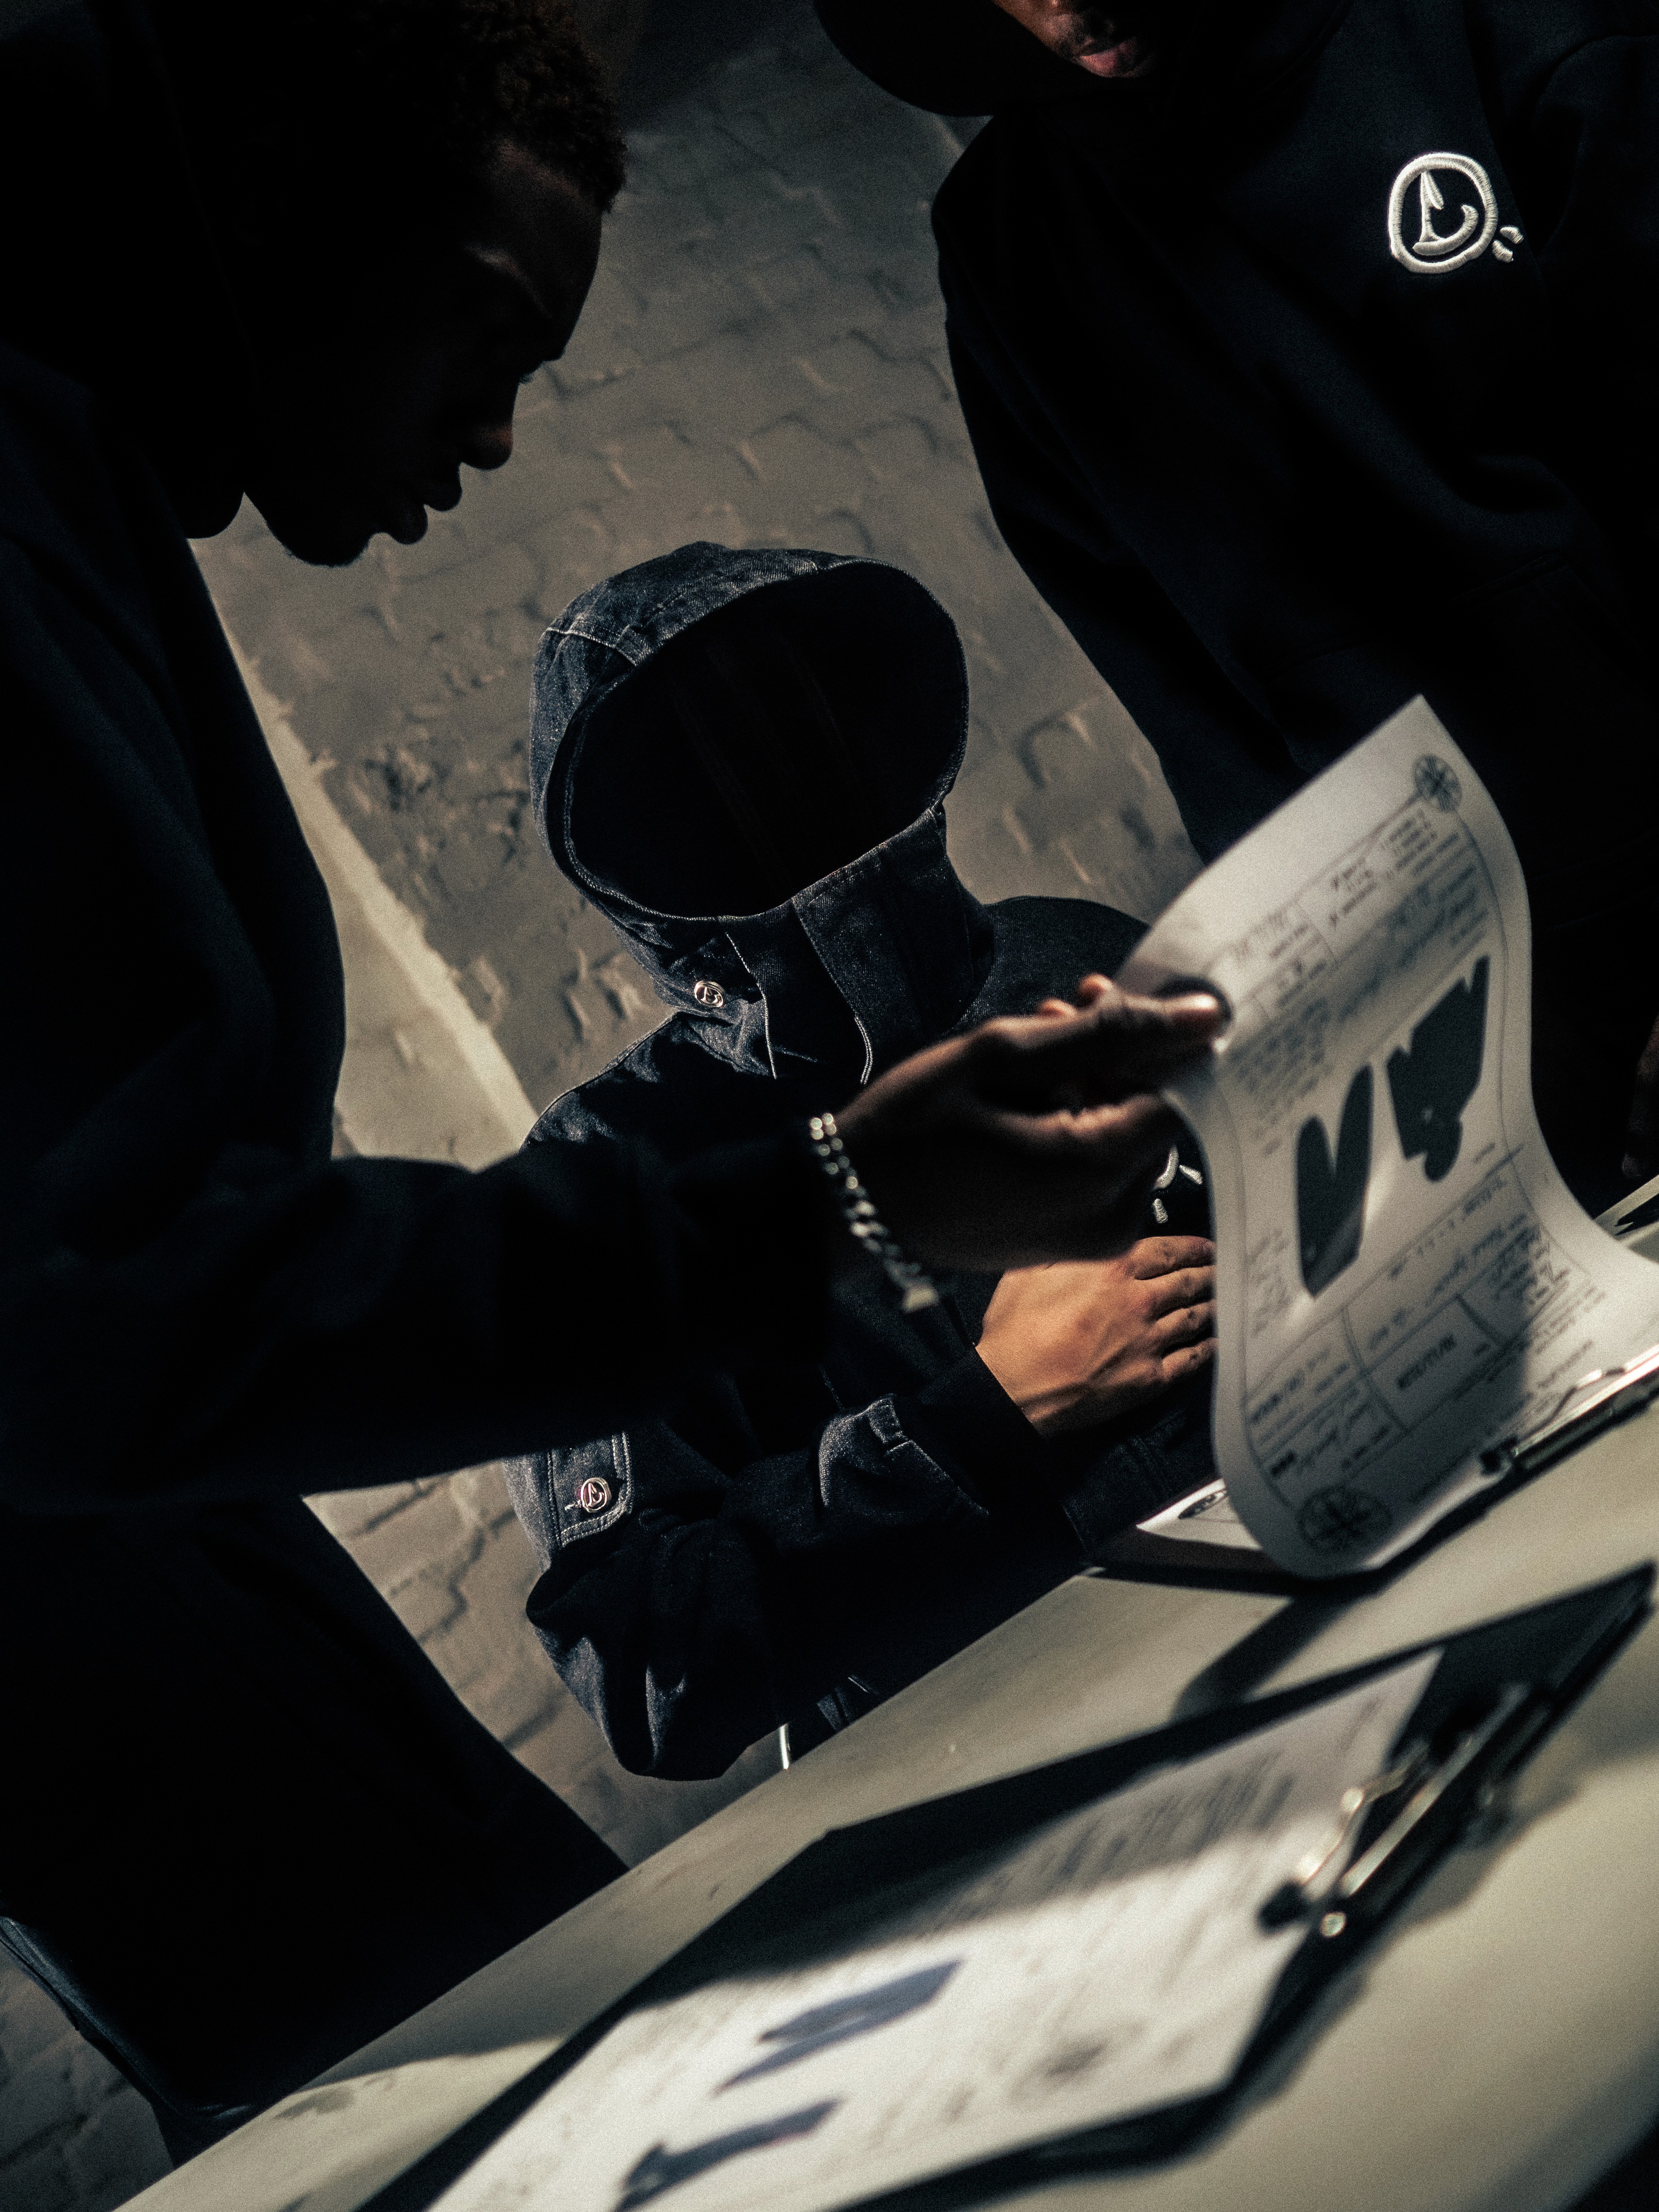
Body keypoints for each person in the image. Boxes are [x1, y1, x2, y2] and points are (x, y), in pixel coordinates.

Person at [0, 0, 1223, 2158]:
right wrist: (956, 1386)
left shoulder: (1066, 962)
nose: (489, 435)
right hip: (948, 1832)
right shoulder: (630, 1155)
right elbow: (644, 1651)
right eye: (481, 325)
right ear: (277, 202)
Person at [815, 0, 1659, 1216]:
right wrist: (1352, 1005)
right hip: (1450, 975)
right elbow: (1183, 696)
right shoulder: (1006, 244)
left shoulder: (1506, 31)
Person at [504, 541, 1218, 1780]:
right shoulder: (606, 1182)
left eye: (804, 713)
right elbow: (650, 1663)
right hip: (1013, 1770)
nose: (773, 781)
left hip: (1326, 1575)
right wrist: (985, 1415)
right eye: (689, 771)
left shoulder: (1077, 957)